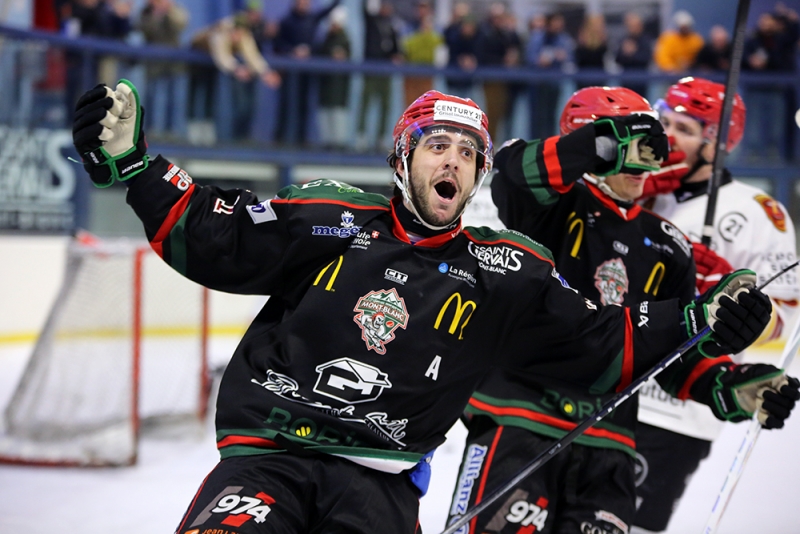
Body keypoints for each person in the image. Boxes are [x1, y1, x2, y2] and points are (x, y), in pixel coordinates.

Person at [70, 82, 782, 533]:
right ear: (403, 158)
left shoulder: (507, 267)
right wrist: (135, 170)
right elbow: (221, 237)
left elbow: (596, 341)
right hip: (272, 457)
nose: (452, 161)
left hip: (381, 483)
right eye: (435, 145)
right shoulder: (334, 212)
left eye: (464, 153)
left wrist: (703, 332)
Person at [446, 86, 799, 533]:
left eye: (657, 146)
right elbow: (515, 176)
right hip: (520, 422)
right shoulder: (548, 203)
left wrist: (728, 387)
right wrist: (604, 145)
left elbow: (669, 359)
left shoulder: (670, 243)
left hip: (611, 443)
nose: (653, 158)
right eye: (641, 143)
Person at [634, 76, 800, 533]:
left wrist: (731, 312)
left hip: (680, 409)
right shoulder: (633, 188)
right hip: (605, 387)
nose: (667, 136)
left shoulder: (758, 211)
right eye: (663, 122)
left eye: (684, 129)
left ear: (717, 142)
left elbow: (783, 316)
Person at [189, 11, 281, 143]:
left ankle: (207, 137)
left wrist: (266, 73)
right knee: (196, 98)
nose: (237, 35)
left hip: (211, 66)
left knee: (209, 99)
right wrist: (237, 68)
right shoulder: (220, 32)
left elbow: (252, 56)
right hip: (196, 64)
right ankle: (193, 136)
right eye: (236, 31)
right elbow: (222, 56)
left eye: (240, 32)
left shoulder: (244, 36)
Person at [273, 0, 341, 145]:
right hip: (289, 70)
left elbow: (330, 9)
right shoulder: (286, 21)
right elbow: (278, 44)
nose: (303, 4)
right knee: (285, 104)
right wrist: (292, 51)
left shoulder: (312, 18)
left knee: (304, 104)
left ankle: (301, 139)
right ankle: (279, 138)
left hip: (306, 70)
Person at [137, 0, 189, 138]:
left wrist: (168, 10)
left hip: (174, 62)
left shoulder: (176, 10)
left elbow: (180, 25)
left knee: (175, 99)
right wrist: (157, 14)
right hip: (154, 63)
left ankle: (174, 132)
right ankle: (150, 131)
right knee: (152, 97)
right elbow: (145, 30)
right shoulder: (146, 12)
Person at [357, 0, 401, 152]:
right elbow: (364, 9)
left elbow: (395, 46)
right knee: (366, 101)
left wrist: (396, 55)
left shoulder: (392, 25)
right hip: (371, 67)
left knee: (385, 104)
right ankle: (361, 135)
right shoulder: (372, 20)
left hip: (385, 70)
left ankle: (381, 137)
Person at [317, 6, 351, 150]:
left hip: (338, 85)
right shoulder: (327, 38)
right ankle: (328, 142)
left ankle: (338, 143)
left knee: (337, 113)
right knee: (326, 113)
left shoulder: (344, 40)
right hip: (327, 84)